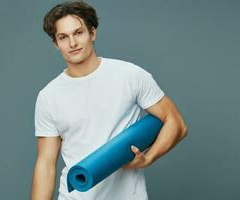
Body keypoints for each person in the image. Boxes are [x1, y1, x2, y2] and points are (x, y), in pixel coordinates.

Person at [31, 1, 187, 200]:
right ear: (56, 43)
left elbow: (176, 123)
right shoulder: (48, 96)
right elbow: (45, 164)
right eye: (63, 37)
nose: (72, 43)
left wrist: (148, 158)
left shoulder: (129, 75)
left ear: (92, 33)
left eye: (78, 33)